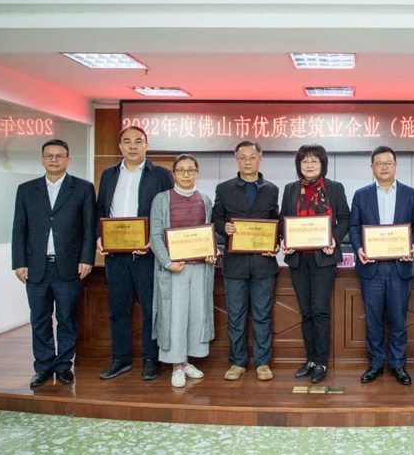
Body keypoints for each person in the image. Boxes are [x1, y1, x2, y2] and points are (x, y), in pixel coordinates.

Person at [12, 139, 96, 388]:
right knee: (39, 318)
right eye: (49, 155)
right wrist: (19, 262)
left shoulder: (82, 188)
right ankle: (43, 366)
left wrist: (86, 258)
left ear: (67, 159)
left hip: (68, 265)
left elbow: (89, 228)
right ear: (42, 159)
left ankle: (64, 366)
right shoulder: (27, 190)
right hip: (36, 266)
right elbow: (19, 229)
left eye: (59, 156)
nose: (54, 160)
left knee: (67, 318)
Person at [96, 126, 174, 381]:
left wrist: (154, 241)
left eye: (138, 141)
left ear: (146, 145)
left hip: (147, 255)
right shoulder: (108, 175)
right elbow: (101, 209)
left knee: (151, 309)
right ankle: (120, 359)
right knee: (118, 309)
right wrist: (99, 236)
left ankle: (151, 359)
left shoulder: (160, 174)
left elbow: (169, 212)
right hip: (116, 255)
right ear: (120, 146)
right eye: (127, 141)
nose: (132, 146)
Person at [349, 146, 414, 386]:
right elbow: (354, 227)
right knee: (373, 318)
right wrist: (359, 248)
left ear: (395, 166)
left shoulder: (411, 194)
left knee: (398, 318)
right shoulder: (361, 195)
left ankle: (398, 363)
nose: (384, 167)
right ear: (372, 167)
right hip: (372, 267)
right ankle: (376, 363)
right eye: (379, 163)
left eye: (388, 163)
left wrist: (413, 245)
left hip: (400, 266)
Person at [280, 144, 350, 384]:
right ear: (299, 165)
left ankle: (321, 361)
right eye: (304, 161)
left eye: (314, 161)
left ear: (322, 164)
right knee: (306, 311)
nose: (309, 165)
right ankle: (310, 359)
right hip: (298, 258)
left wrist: (334, 238)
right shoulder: (290, 189)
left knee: (319, 310)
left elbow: (345, 218)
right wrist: (284, 239)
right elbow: (283, 219)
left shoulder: (334, 188)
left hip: (324, 259)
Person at [212, 141, 280, 382]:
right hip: (235, 264)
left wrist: (275, 244)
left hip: (263, 264)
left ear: (260, 159)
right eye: (243, 157)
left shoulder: (271, 189)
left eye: (252, 157)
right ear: (236, 160)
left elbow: (276, 222)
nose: (248, 161)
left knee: (263, 315)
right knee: (236, 316)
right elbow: (216, 218)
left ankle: (263, 363)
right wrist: (225, 227)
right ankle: (237, 362)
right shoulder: (224, 189)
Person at [150, 154, 217, 388]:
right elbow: (155, 235)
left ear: (197, 173)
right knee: (175, 316)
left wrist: (211, 253)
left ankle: (187, 361)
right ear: (173, 173)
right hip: (174, 269)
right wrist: (167, 262)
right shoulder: (162, 199)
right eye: (181, 170)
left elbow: (209, 234)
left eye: (191, 170)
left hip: (200, 269)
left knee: (196, 315)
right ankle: (176, 365)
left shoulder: (205, 200)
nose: (186, 175)